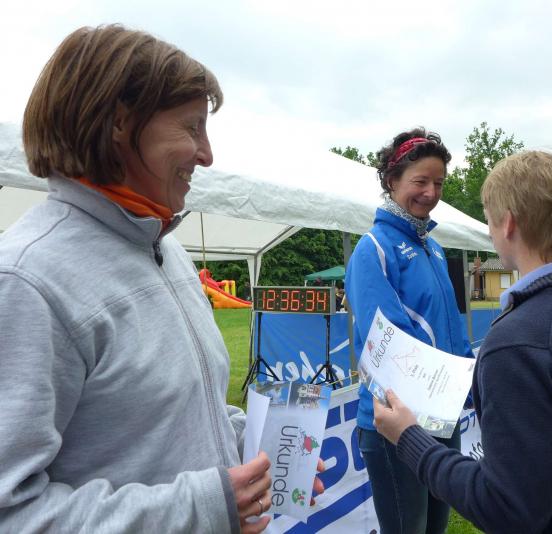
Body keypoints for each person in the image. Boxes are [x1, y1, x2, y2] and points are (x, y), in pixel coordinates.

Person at [0, 25, 323, 533]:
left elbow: (181, 415)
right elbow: (11, 510)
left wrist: (255, 445)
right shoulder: (27, 279)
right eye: (192, 128)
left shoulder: (167, 250)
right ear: (119, 123)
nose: (207, 154)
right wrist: (204, 506)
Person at [372, 151, 552, 533]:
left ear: (508, 223)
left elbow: (508, 510)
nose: (490, 232)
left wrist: (410, 439)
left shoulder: (519, 342)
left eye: (489, 219)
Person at [344, 128, 474, 534]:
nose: (431, 193)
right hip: (394, 422)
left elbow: (452, 328)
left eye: (439, 183)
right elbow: (388, 342)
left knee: (436, 527)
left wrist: (473, 386)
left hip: (440, 416)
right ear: (392, 181)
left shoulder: (433, 248)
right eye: (420, 181)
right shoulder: (373, 248)